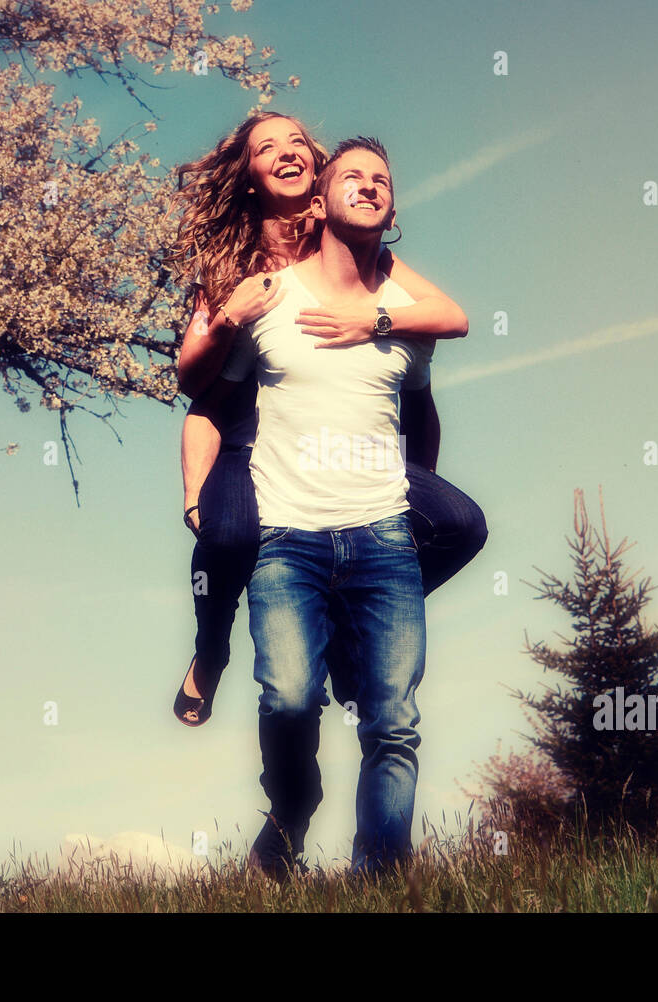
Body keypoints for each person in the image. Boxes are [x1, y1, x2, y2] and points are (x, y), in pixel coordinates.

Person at [167, 112, 486, 727]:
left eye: (297, 143)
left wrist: (374, 322)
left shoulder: (346, 242)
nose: (286, 152)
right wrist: (230, 315)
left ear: (317, 170)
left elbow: (448, 313)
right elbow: (191, 382)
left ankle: (347, 625)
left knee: (460, 524)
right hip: (248, 439)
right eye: (267, 148)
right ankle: (210, 651)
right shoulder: (233, 262)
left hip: (347, 450)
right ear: (250, 176)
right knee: (229, 536)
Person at [198, 137, 445, 879]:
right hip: (286, 541)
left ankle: (381, 875)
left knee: (393, 723)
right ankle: (291, 813)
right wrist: (197, 498)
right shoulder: (271, 296)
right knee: (289, 698)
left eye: (382, 181)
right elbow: (210, 404)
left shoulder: (404, 315)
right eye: (353, 177)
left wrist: (413, 491)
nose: (369, 187)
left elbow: (423, 413)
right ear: (322, 200)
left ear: (391, 206)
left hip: (384, 541)